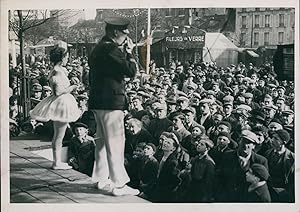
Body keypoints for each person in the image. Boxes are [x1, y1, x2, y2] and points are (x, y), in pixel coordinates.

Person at [88, 17, 139, 196]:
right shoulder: (111, 48)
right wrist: (130, 53)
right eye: (125, 33)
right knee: (115, 143)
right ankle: (119, 185)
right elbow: (131, 71)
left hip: (99, 101)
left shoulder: (99, 47)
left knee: (101, 143)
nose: (126, 37)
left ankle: (100, 178)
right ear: (116, 32)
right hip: (111, 102)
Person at [30, 44, 81, 170]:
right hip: (61, 103)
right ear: (62, 57)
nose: (67, 58)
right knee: (59, 135)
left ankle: (57, 161)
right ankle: (57, 162)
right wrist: (72, 88)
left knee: (59, 134)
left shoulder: (57, 70)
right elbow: (58, 91)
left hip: (59, 102)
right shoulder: (58, 71)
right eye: (66, 56)